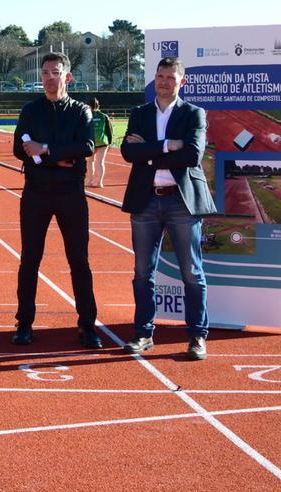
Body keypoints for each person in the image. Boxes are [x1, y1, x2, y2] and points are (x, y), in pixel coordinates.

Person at [120, 57, 217, 360]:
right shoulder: (139, 114)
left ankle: (197, 336)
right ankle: (143, 332)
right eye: (160, 76)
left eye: (170, 77)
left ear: (181, 81)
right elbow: (127, 151)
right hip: (146, 200)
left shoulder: (193, 114)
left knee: (191, 272)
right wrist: (166, 145)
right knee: (141, 271)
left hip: (181, 201)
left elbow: (192, 155)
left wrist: (148, 152)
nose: (164, 82)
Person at [11, 52, 102, 349]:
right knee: (30, 259)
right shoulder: (30, 110)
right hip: (36, 193)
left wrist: (46, 151)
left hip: (70, 194)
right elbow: (18, 149)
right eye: (46, 72)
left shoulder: (80, 111)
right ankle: (24, 324)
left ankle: (87, 325)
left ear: (68, 77)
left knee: (79, 260)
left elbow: (86, 147)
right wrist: (61, 157)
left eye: (56, 72)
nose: (50, 77)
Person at [87, 97, 112, 188]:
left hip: (91, 143)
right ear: (98, 106)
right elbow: (109, 131)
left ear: (89, 106)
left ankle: (89, 181)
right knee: (100, 162)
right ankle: (99, 182)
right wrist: (109, 142)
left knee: (90, 161)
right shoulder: (104, 116)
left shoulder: (87, 115)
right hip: (103, 142)